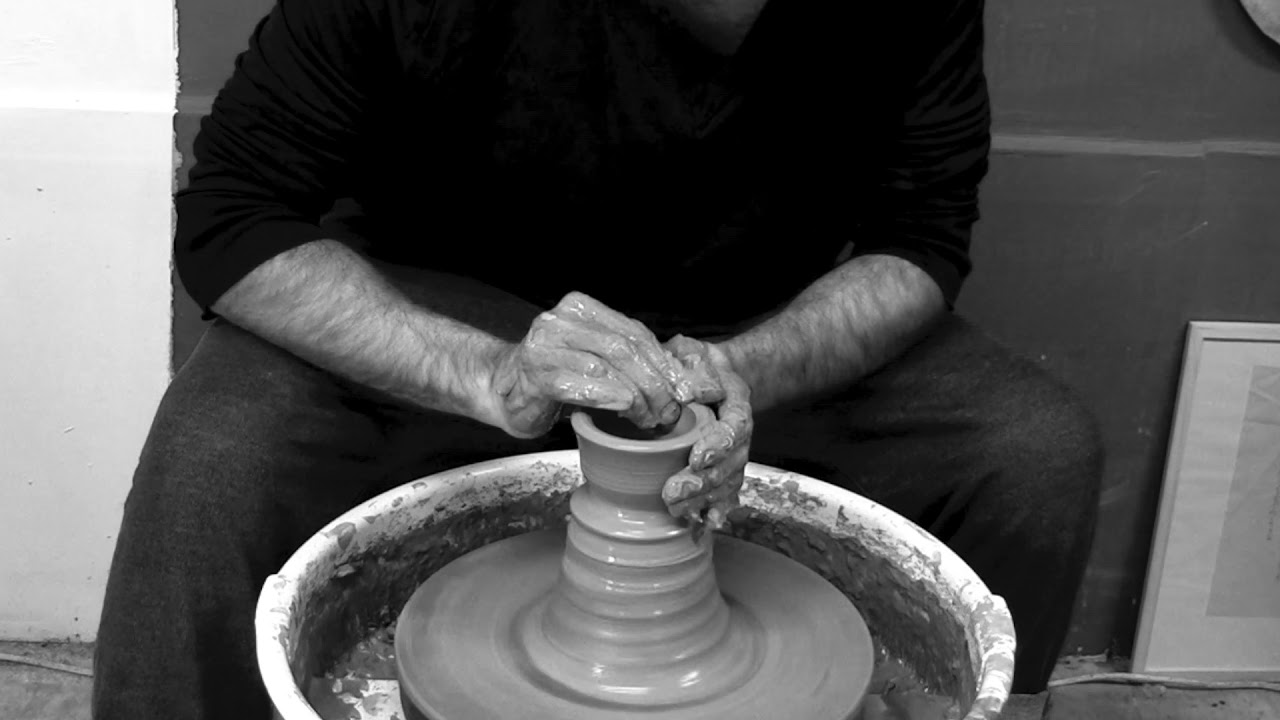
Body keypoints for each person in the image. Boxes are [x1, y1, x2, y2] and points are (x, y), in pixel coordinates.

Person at [92, 0, 1103, 715]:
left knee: (1032, 451)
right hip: (453, 306)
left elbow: (918, 241)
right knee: (218, 452)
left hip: (751, 323)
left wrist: (743, 368)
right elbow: (232, 219)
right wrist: (488, 374)